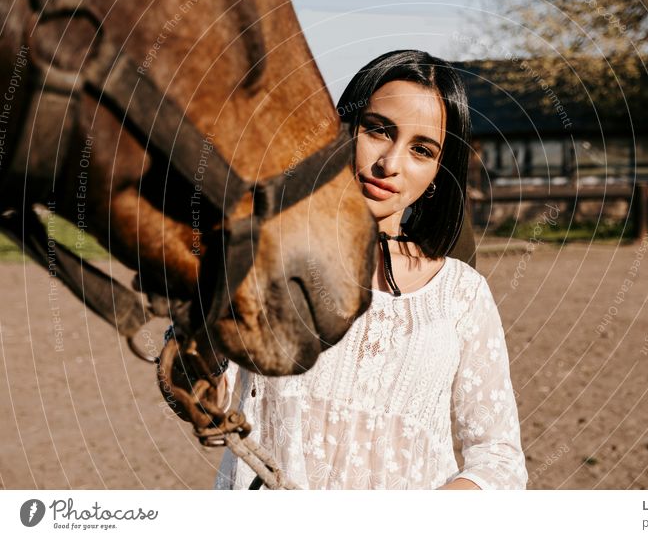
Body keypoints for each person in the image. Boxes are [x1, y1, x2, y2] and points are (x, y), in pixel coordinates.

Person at [213, 50, 527, 490]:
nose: (390, 164)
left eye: (421, 149)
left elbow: (499, 458)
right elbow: (207, 395)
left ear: (438, 172)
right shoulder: (265, 256)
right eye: (378, 130)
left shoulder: (461, 294)